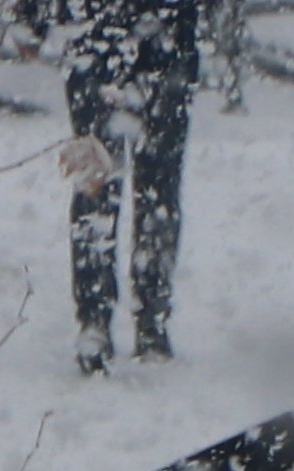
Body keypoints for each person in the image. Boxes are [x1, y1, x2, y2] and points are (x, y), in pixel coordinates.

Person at [62, 0, 207, 372]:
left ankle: (125, 316)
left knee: (116, 186)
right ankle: (132, 316)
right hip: (135, 37)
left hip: (115, 37)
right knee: (132, 186)